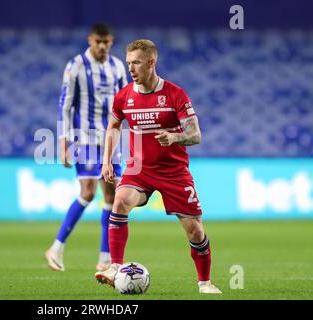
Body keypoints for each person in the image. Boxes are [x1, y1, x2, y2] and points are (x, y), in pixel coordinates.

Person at [94, 39, 222, 293]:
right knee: (120, 200)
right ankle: (115, 266)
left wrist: (175, 137)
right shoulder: (124, 96)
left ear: (152, 62)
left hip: (174, 173)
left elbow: (195, 135)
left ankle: (205, 282)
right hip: (139, 168)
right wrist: (107, 160)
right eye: (128, 63)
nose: (131, 68)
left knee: (195, 231)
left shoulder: (175, 94)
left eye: (136, 63)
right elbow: (114, 126)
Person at [45, 23, 128, 272]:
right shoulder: (76, 66)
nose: (102, 46)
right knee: (89, 191)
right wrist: (63, 142)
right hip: (85, 138)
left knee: (113, 197)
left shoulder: (117, 67)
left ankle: (104, 259)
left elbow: (126, 101)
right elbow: (65, 104)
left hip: (110, 140)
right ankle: (57, 247)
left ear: (111, 41)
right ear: (90, 40)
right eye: (97, 42)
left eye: (106, 42)